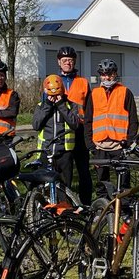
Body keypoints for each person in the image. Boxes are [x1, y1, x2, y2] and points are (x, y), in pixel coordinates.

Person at [83, 58, 138, 198]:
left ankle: (124, 205)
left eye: (110, 74)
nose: (107, 77)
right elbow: (88, 120)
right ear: (100, 75)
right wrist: (90, 145)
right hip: (99, 145)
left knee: (123, 180)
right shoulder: (94, 93)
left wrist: (129, 142)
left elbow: (133, 119)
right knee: (101, 181)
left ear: (115, 74)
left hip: (120, 145)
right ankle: (102, 206)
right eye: (103, 74)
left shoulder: (125, 92)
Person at [48, 46, 93, 203]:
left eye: (71, 60)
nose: (68, 63)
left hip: (79, 131)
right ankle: (64, 204)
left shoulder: (83, 82)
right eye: (65, 60)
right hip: (61, 132)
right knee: (64, 172)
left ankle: (86, 205)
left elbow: (89, 109)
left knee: (84, 171)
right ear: (59, 62)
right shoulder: (51, 81)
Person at [33, 74, 84, 189]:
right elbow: (36, 125)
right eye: (52, 95)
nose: (55, 97)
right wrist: (48, 106)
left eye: (57, 94)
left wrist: (61, 106)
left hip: (64, 152)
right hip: (46, 151)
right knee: (44, 186)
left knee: (65, 186)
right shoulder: (41, 106)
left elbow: (75, 124)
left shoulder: (71, 105)